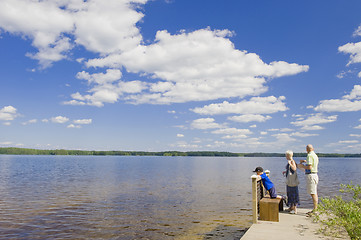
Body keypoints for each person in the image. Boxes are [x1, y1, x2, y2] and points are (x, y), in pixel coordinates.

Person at [298, 144, 319, 215]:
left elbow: (309, 167)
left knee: (313, 193)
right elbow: (312, 164)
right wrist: (305, 161)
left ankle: (315, 210)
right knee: (314, 192)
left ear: (307, 149)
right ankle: (315, 209)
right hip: (315, 175)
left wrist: (302, 166)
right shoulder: (315, 155)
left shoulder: (309, 155)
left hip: (311, 175)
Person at [283, 150, 300, 214]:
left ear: (289, 155)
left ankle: (295, 209)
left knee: (293, 194)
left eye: (286, 155)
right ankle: (291, 207)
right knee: (289, 194)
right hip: (290, 181)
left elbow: (294, 169)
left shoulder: (292, 161)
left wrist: (290, 164)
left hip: (292, 182)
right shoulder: (290, 161)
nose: (286, 157)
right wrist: (285, 172)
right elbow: (290, 170)